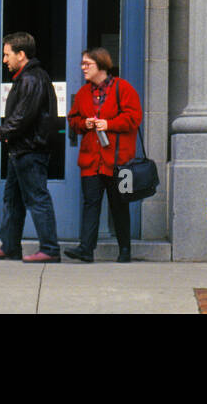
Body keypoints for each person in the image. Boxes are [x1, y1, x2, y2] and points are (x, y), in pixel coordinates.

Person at [0, 32, 61, 264]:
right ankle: (9, 246)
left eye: (7, 55)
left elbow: (23, 116)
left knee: (37, 199)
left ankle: (49, 249)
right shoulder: (28, 77)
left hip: (30, 151)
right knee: (13, 201)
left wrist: (1, 132)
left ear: (21, 54)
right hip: (22, 150)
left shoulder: (31, 79)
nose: (4, 60)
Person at [65, 48, 142, 264]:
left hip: (119, 161)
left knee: (119, 204)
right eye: (82, 64)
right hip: (91, 161)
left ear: (101, 65)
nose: (83, 68)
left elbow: (134, 118)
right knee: (91, 203)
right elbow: (73, 120)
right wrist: (84, 123)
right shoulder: (82, 94)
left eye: (87, 64)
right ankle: (86, 250)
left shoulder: (123, 89)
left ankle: (125, 250)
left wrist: (109, 124)